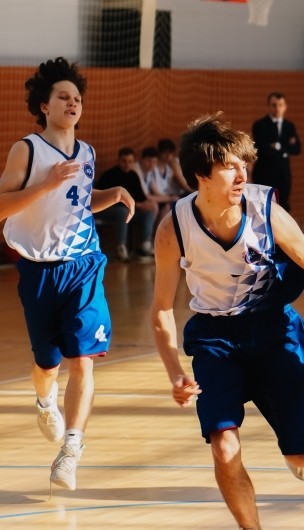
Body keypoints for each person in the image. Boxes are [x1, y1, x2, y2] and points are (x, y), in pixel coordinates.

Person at [150, 113, 304, 530]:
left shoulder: (266, 211)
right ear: (201, 175)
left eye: (244, 165)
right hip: (216, 337)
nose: (242, 175)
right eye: (229, 167)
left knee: (300, 457)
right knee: (223, 448)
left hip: (275, 330)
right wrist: (175, 372)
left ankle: (299, 439)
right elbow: (161, 307)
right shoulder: (173, 228)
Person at [0, 57, 135, 491]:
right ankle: (45, 400)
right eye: (63, 97)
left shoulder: (88, 152)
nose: (73, 103)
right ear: (45, 105)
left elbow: (78, 202)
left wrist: (112, 194)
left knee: (82, 360)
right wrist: (46, 184)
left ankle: (71, 450)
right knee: (47, 363)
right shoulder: (27, 150)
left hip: (84, 265)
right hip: (39, 270)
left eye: (77, 98)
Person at [94, 147, 158, 262]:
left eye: (130, 161)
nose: (127, 164)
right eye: (124, 161)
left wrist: (147, 205)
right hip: (105, 211)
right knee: (122, 211)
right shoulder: (109, 175)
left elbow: (141, 198)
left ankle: (146, 244)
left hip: (128, 211)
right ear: (118, 160)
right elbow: (98, 198)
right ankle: (121, 247)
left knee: (147, 212)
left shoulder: (133, 175)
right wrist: (137, 205)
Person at [251, 92, 301, 212]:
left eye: (280, 105)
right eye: (274, 105)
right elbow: (264, 149)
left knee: (282, 208)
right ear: (268, 106)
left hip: (283, 175)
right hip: (264, 174)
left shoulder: (289, 126)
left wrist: (278, 146)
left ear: (285, 107)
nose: (277, 108)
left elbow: (297, 149)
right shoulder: (259, 125)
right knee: (263, 208)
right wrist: (285, 150)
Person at [150, 138, 193, 229]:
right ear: (159, 153)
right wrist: (168, 198)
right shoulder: (153, 167)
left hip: (168, 195)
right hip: (160, 197)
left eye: (170, 153)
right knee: (173, 205)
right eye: (165, 153)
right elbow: (154, 190)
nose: (168, 156)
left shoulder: (169, 169)